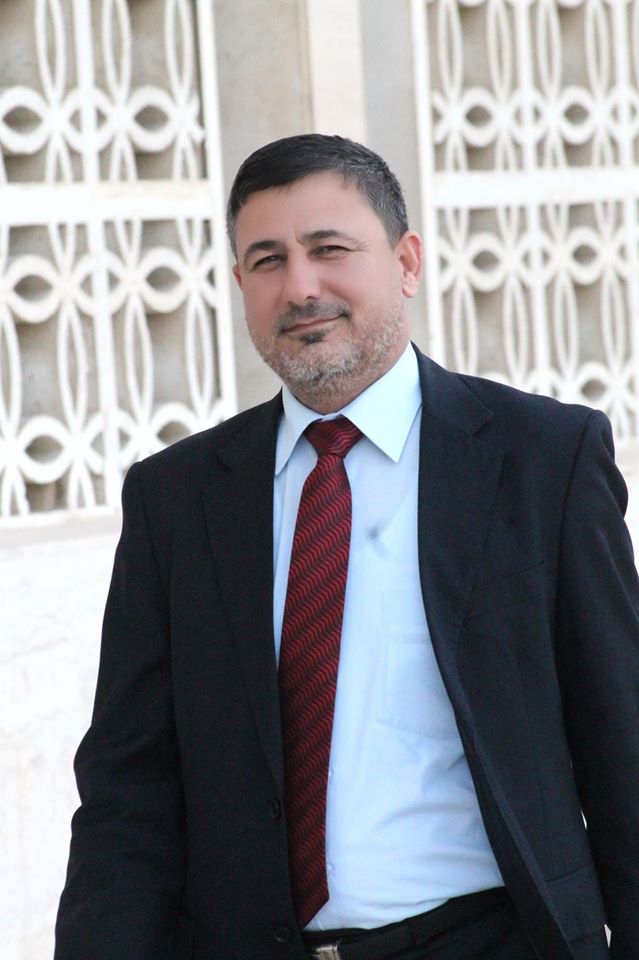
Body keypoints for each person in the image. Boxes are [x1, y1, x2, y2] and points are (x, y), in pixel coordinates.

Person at [55, 134, 639, 960]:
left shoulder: (542, 459)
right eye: (267, 260)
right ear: (239, 285)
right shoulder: (175, 498)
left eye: (329, 249)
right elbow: (128, 786)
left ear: (406, 262)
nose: (300, 287)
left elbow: (620, 741)